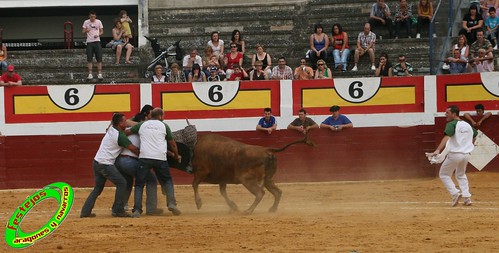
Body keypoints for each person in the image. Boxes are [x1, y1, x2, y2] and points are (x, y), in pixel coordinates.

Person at [80, 113, 139, 218]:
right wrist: (145, 155)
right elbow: (133, 149)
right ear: (120, 123)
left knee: (97, 188)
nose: (126, 123)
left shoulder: (111, 129)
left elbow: (113, 120)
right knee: (122, 183)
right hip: (105, 164)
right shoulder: (120, 136)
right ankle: (118, 210)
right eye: (125, 121)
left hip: (96, 162)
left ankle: (85, 212)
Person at [127, 108, 182, 217]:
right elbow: (173, 144)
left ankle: (137, 210)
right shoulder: (164, 126)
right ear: (161, 116)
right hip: (160, 158)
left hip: (144, 157)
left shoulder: (142, 125)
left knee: (139, 184)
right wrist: (176, 155)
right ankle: (171, 203)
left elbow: (127, 132)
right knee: (167, 180)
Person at [116, 106, 163, 216]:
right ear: (146, 115)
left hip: (120, 160)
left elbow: (126, 122)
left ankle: (119, 208)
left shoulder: (134, 124)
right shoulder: (144, 126)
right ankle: (150, 209)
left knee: (127, 183)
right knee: (150, 180)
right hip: (131, 160)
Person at [430, 105, 477, 207]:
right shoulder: (467, 125)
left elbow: (447, 137)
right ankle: (467, 198)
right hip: (466, 155)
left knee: (444, 174)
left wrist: (437, 150)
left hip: (455, 154)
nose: (445, 114)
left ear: (454, 114)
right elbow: (475, 134)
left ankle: (455, 193)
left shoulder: (451, 124)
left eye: (447, 112)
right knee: (461, 175)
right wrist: (469, 146)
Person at [82, 10, 104, 81]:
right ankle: (90, 74)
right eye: (91, 16)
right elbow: (82, 31)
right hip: (89, 42)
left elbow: (102, 31)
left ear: (95, 16)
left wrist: (98, 35)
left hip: (97, 41)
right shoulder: (86, 22)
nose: (92, 18)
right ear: (89, 16)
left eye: (94, 16)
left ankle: (100, 74)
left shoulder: (99, 22)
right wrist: (86, 30)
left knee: (99, 58)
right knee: (89, 59)